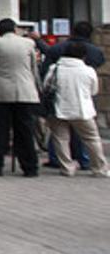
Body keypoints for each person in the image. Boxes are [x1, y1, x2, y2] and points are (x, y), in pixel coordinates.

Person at [0, 19, 40, 177]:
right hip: (24, 91)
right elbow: (33, 66)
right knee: (24, 130)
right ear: (15, 29)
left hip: (0, 93)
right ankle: (30, 167)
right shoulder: (28, 43)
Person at [37, 22, 104, 170]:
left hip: (58, 106)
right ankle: (96, 166)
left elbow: (45, 84)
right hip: (83, 107)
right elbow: (94, 90)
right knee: (91, 138)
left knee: (60, 138)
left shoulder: (55, 67)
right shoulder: (89, 68)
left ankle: (66, 167)